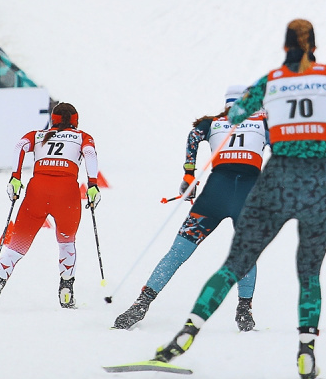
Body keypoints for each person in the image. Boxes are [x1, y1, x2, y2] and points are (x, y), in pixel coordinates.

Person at [145, 19, 326, 379]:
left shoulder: (271, 80)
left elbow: (236, 114)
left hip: (278, 178)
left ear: (285, 47)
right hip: (321, 179)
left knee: (235, 263)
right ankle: (306, 349)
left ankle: (186, 333)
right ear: (314, 47)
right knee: (309, 272)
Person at [113, 85, 270, 331]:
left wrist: (189, 173)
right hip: (248, 198)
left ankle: (141, 304)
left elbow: (193, 136)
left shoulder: (212, 123)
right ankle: (244, 310)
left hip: (214, 196)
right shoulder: (263, 122)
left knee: (177, 253)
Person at [0, 102, 100, 310]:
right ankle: (66, 288)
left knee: (17, 246)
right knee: (66, 243)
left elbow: (19, 146)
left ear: (53, 119)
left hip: (37, 193)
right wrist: (93, 185)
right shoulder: (82, 137)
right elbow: (90, 153)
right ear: (76, 121)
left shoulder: (38, 135)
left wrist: (15, 177)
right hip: (67, 195)